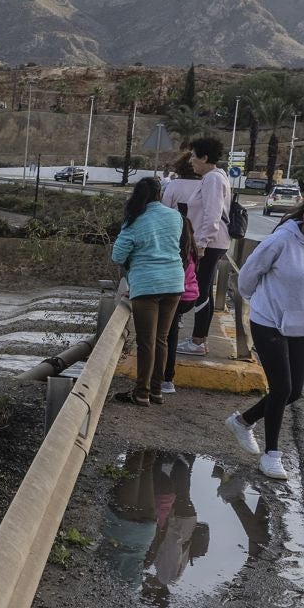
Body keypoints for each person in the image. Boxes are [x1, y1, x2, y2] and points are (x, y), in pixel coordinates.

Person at [225, 188, 304, 480]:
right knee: (281, 388)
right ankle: (272, 455)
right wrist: (262, 304)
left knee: (294, 392)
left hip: (303, 323)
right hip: (269, 320)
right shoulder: (280, 240)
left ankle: (243, 421)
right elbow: (247, 277)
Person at [110, 176, 188, 406]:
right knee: (161, 339)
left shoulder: (134, 220)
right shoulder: (175, 216)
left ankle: (141, 392)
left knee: (146, 342)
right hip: (174, 282)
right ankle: (157, 391)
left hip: (147, 285)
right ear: (159, 194)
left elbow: (118, 256)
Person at [175, 137, 232, 357]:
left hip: (210, 243)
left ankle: (198, 341)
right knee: (204, 289)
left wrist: (201, 244)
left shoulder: (213, 179)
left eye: (193, 155)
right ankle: (198, 339)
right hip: (213, 242)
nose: (190, 160)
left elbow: (212, 214)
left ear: (205, 158)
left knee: (201, 290)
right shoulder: (215, 177)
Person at [159, 154, 204, 393]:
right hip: (195, 244)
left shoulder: (174, 186)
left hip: (176, 246)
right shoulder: (206, 184)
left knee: (165, 333)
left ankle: (164, 379)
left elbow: (164, 211)